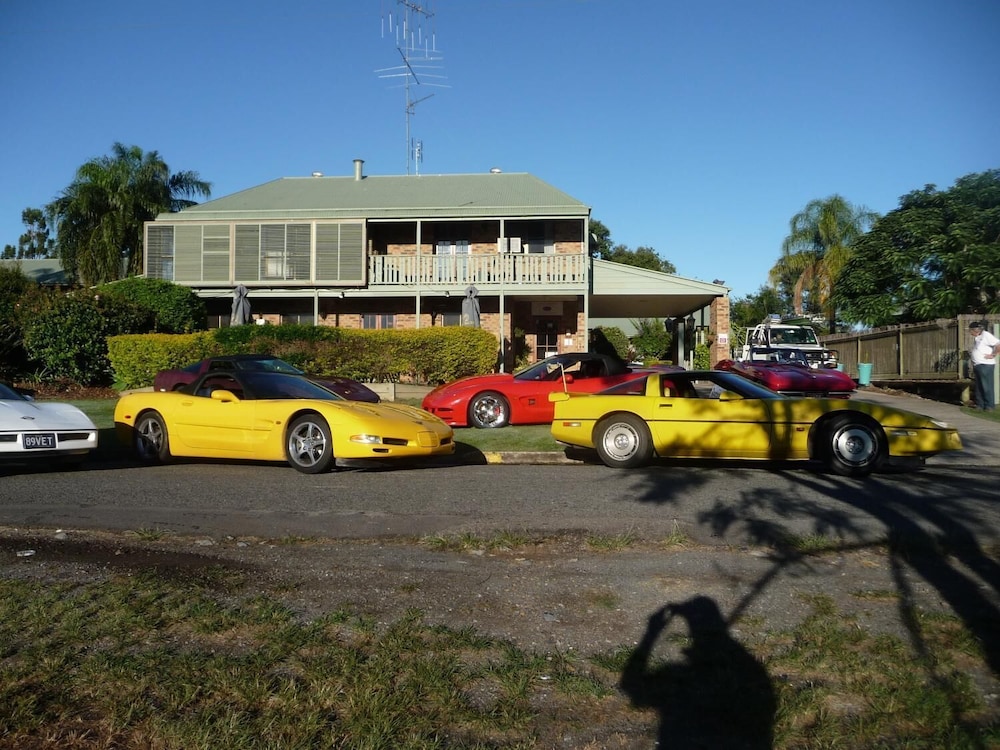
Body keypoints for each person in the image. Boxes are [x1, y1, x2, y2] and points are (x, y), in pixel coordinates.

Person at [969, 320, 999, 411]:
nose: (970, 332)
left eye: (971, 330)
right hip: (978, 365)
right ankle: (980, 405)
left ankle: (989, 405)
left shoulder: (986, 335)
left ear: (976, 330)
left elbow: (998, 344)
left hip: (986, 364)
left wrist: (993, 355)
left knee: (987, 386)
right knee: (979, 386)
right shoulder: (977, 338)